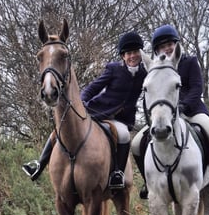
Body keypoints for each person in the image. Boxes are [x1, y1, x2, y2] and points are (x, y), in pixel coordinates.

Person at [23, 31, 147, 190]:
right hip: (97, 110)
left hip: (121, 119)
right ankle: (39, 164)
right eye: (128, 53)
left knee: (123, 134)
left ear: (141, 53)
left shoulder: (146, 73)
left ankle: (117, 173)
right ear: (123, 56)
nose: (132, 56)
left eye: (135, 52)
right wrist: (80, 102)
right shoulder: (114, 69)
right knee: (60, 130)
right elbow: (93, 88)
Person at [131, 24, 209, 198]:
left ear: (176, 44)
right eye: (163, 45)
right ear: (157, 49)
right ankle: (149, 184)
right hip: (166, 116)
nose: (167, 47)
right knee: (136, 143)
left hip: (191, 111)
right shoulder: (155, 69)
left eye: (170, 43)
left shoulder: (189, 62)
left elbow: (196, 88)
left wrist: (183, 106)